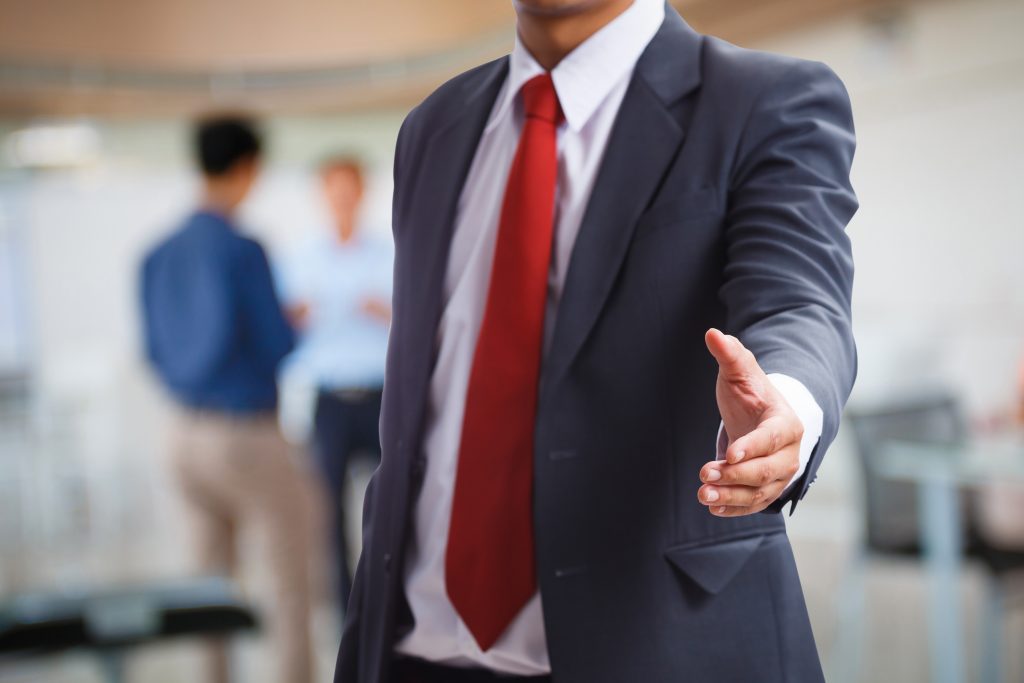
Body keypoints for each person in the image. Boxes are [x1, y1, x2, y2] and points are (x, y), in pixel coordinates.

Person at [336, 0, 857, 680]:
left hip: (658, 644)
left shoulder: (762, 99)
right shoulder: (434, 127)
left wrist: (788, 402)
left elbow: (800, 300)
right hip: (412, 651)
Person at [141, 115, 315, 683]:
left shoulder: (157, 254)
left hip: (182, 435)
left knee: (205, 588)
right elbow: (277, 344)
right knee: (288, 581)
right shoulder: (242, 250)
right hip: (246, 434)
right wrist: (294, 322)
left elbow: (153, 350)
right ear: (247, 169)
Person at [277, 155, 393, 619]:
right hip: (329, 401)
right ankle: (348, 611)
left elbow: (417, 322)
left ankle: (391, 597)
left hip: (382, 397)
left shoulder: (391, 252)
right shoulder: (299, 259)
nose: (343, 198)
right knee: (327, 513)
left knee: (391, 506)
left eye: (351, 188)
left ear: (363, 192)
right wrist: (299, 317)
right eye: (334, 189)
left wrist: (382, 311)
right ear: (323, 195)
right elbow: (282, 329)